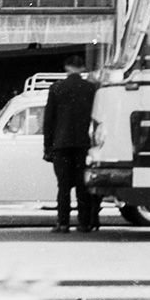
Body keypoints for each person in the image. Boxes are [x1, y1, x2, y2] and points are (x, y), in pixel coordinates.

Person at [42, 55, 100, 234]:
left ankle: (63, 223)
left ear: (66, 67)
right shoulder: (91, 89)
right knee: (83, 186)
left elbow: (49, 120)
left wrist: (48, 147)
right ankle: (83, 223)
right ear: (82, 68)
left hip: (61, 144)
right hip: (84, 144)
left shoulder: (57, 88)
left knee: (63, 186)